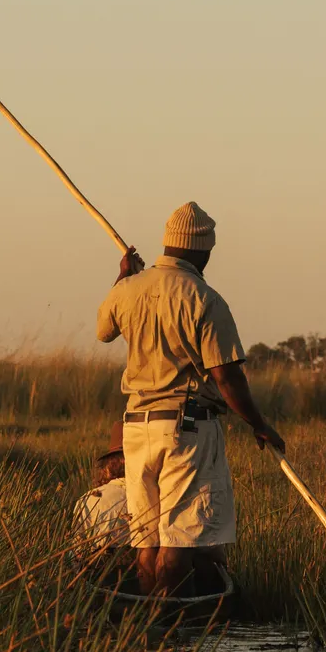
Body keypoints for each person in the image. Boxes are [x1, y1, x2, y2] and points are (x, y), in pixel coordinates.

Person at [96, 201, 284, 597]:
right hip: (185, 429)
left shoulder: (129, 289)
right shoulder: (205, 299)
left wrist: (122, 278)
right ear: (204, 251)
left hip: (135, 430)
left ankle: (148, 630)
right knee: (177, 540)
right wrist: (259, 424)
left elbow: (103, 331)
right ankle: (172, 632)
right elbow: (227, 377)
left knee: (145, 539)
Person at [73, 421, 136, 580]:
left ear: (108, 466)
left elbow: (76, 556)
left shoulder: (86, 499)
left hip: (97, 581)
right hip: (141, 581)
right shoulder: (157, 497)